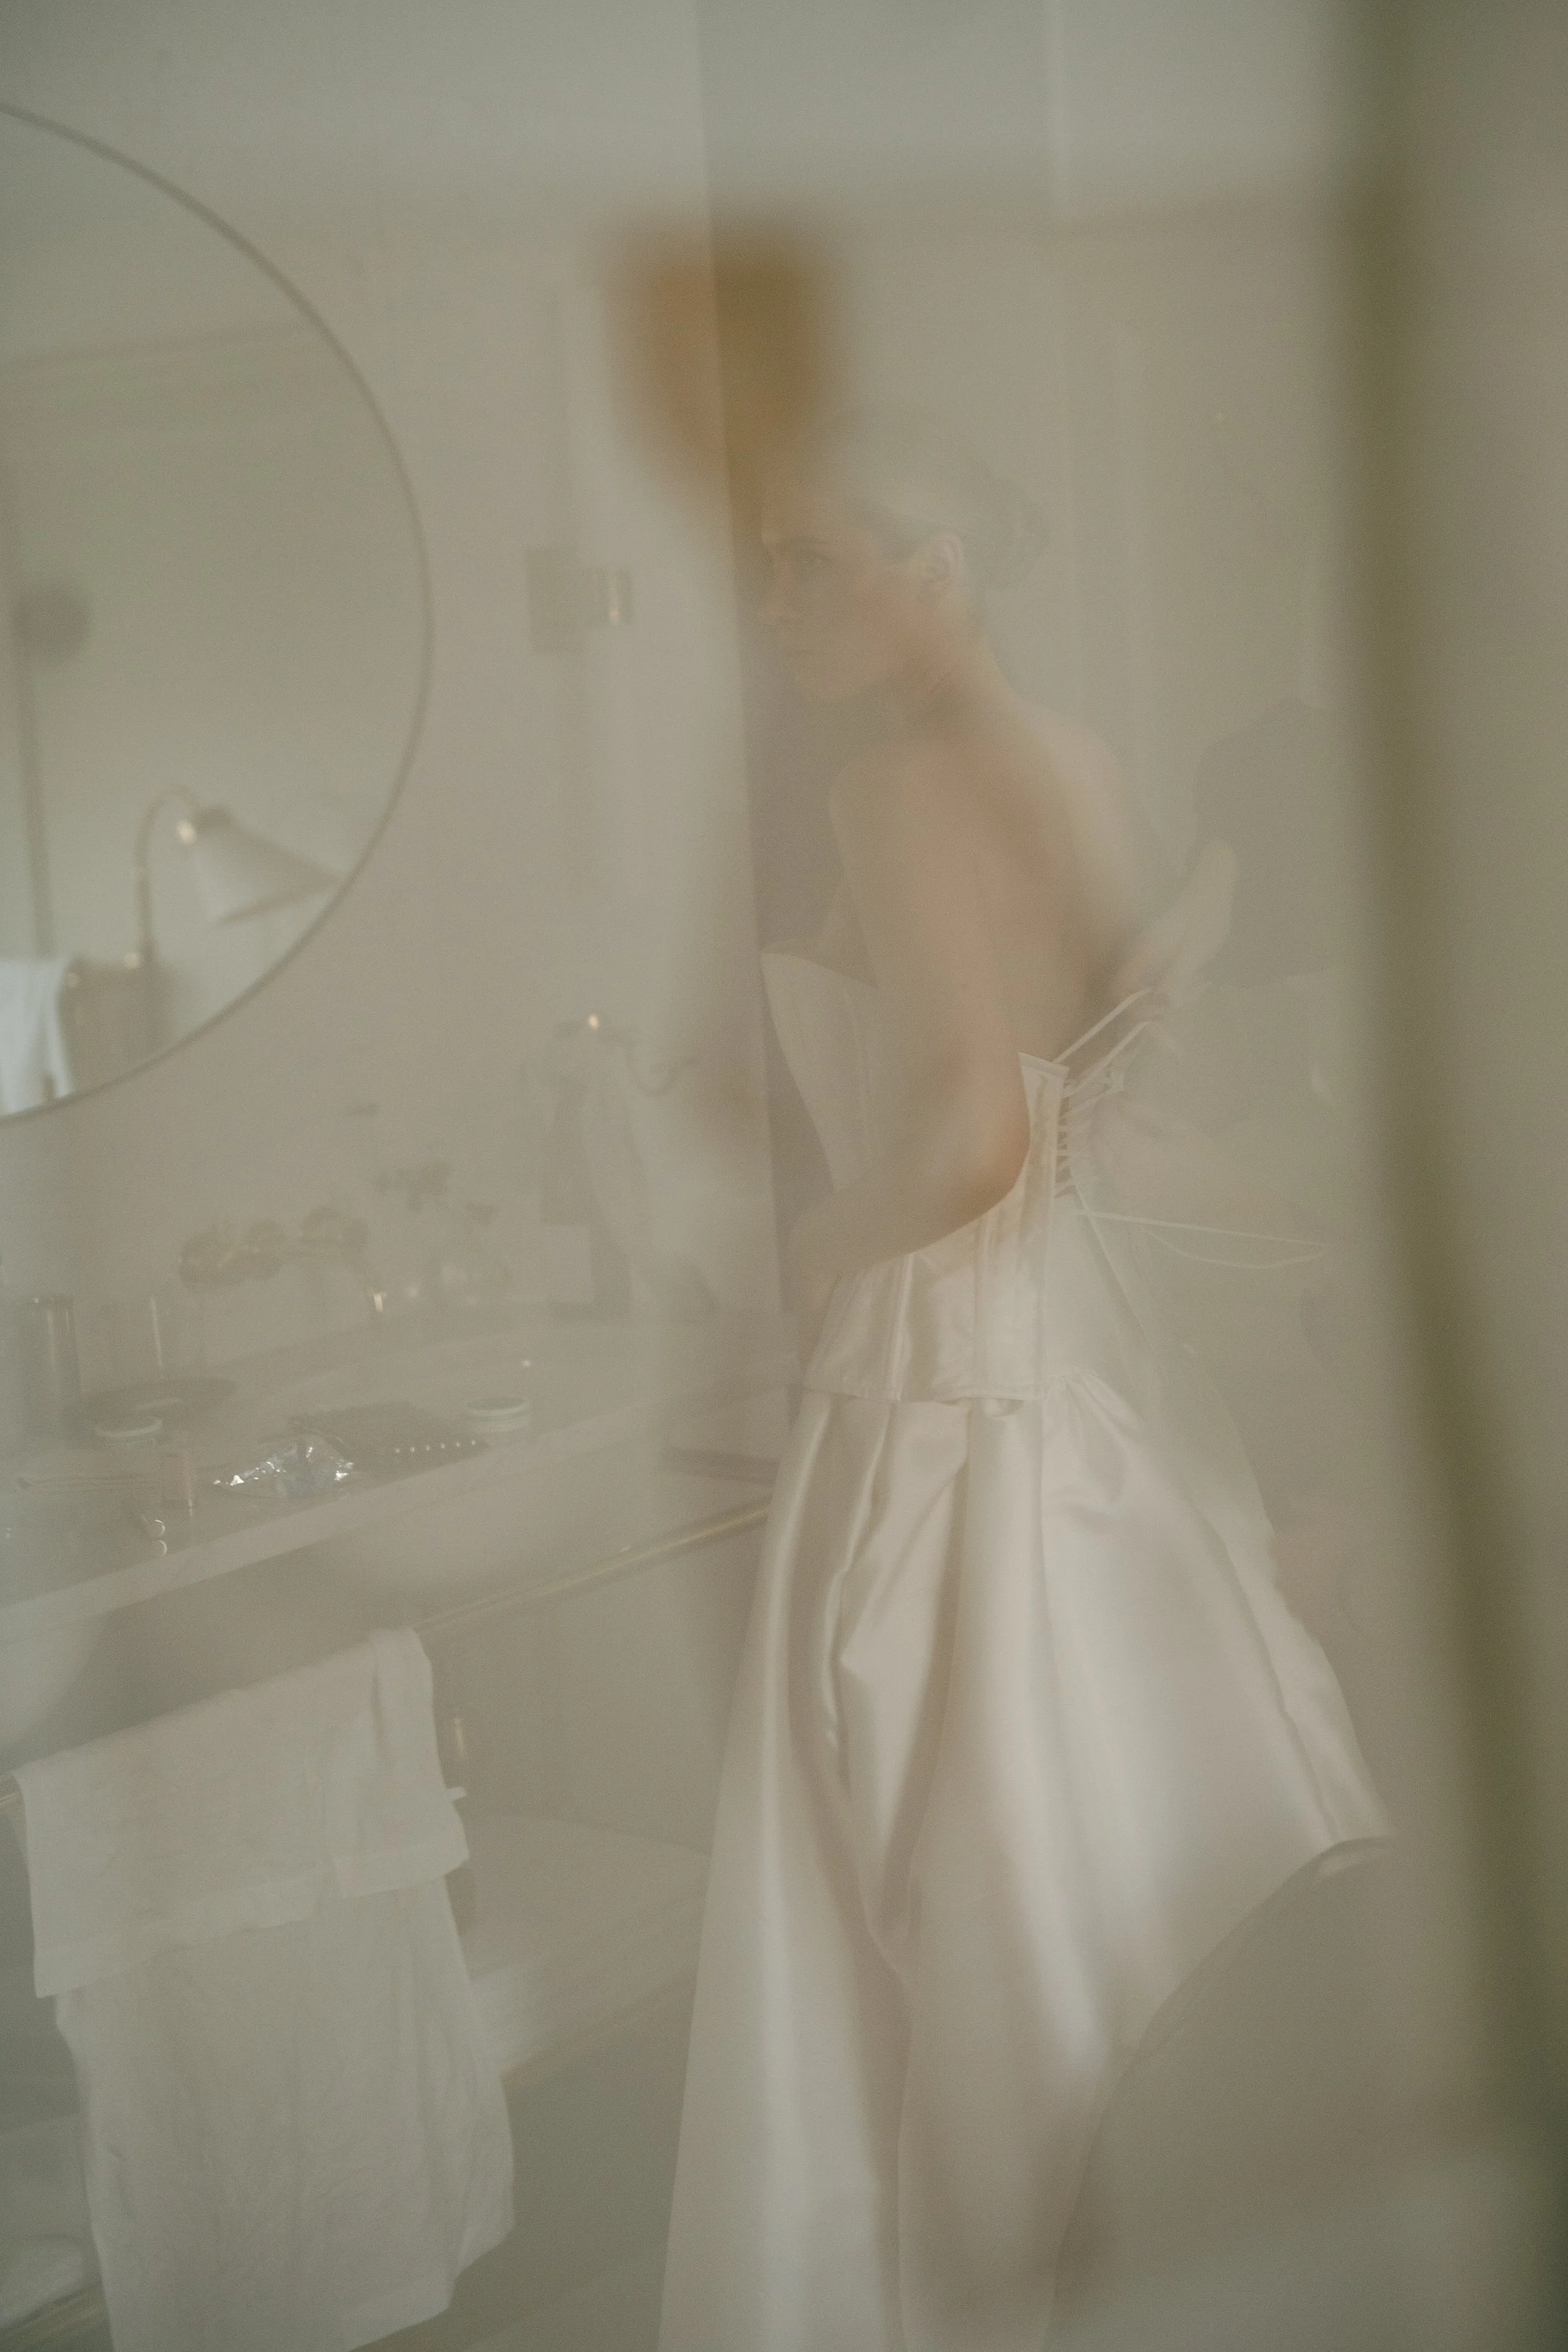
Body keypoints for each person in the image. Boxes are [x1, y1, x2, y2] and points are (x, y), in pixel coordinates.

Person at [657, 407, 1385, 2352]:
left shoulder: (889, 792)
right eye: (771, 561)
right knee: (1101, 1856)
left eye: (812, 560)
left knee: (937, 1894)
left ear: (934, 565)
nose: (779, 597)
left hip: (939, 1374)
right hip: (1089, 1362)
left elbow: (977, 1137)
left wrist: (814, 1253)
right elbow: (1107, 1124)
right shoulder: (1077, 765)